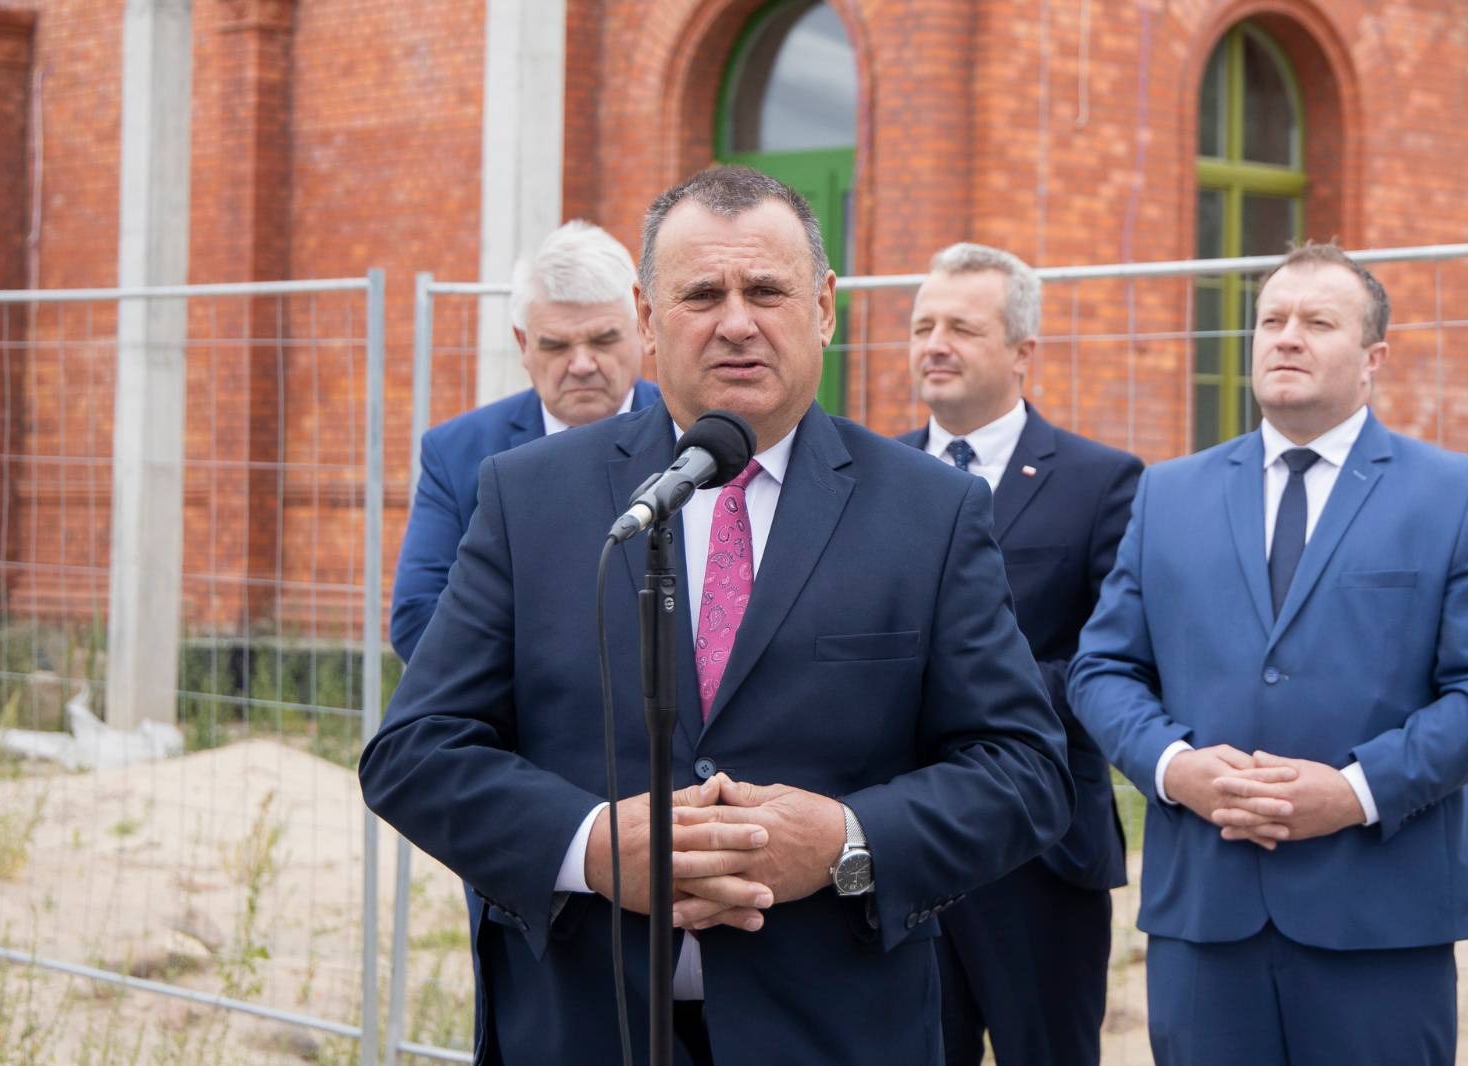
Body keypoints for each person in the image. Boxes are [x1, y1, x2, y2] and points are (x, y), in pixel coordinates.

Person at [360, 165, 1074, 1066]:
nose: (737, 321)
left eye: (766, 291)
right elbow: (413, 752)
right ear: (648, 319)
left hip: (836, 1030)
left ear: (824, 308)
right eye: (702, 294)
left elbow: (1024, 771)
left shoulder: (930, 511)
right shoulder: (528, 497)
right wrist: (589, 846)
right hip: (582, 1023)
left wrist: (846, 840)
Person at [1068, 243, 1468, 1066]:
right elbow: (1103, 669)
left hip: (1381, 914)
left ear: (1373, 357)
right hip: (1205, 915)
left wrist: (1356, 791)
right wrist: (1177, 768)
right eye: (1271, 321)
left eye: (1318, 322)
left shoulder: (1457, 494)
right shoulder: (1169, 493)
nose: (1287, 337)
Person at [898, 242, 1141, 1066]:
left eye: (962, 328)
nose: (935, 345)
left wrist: (953, 687)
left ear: (1022, 351)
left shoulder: (1103, 482)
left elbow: (1116, 664)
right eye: (923, 326)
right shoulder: (871, 475)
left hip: (1043, 850)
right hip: (903, 843)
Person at [390, 219, 661, 661]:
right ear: (523, 343)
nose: (582, 364)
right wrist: (545, 685)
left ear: (642, 328)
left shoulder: (695, 439)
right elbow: (418, 618)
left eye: (603, 339)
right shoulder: (458, 452)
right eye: (556, 345)